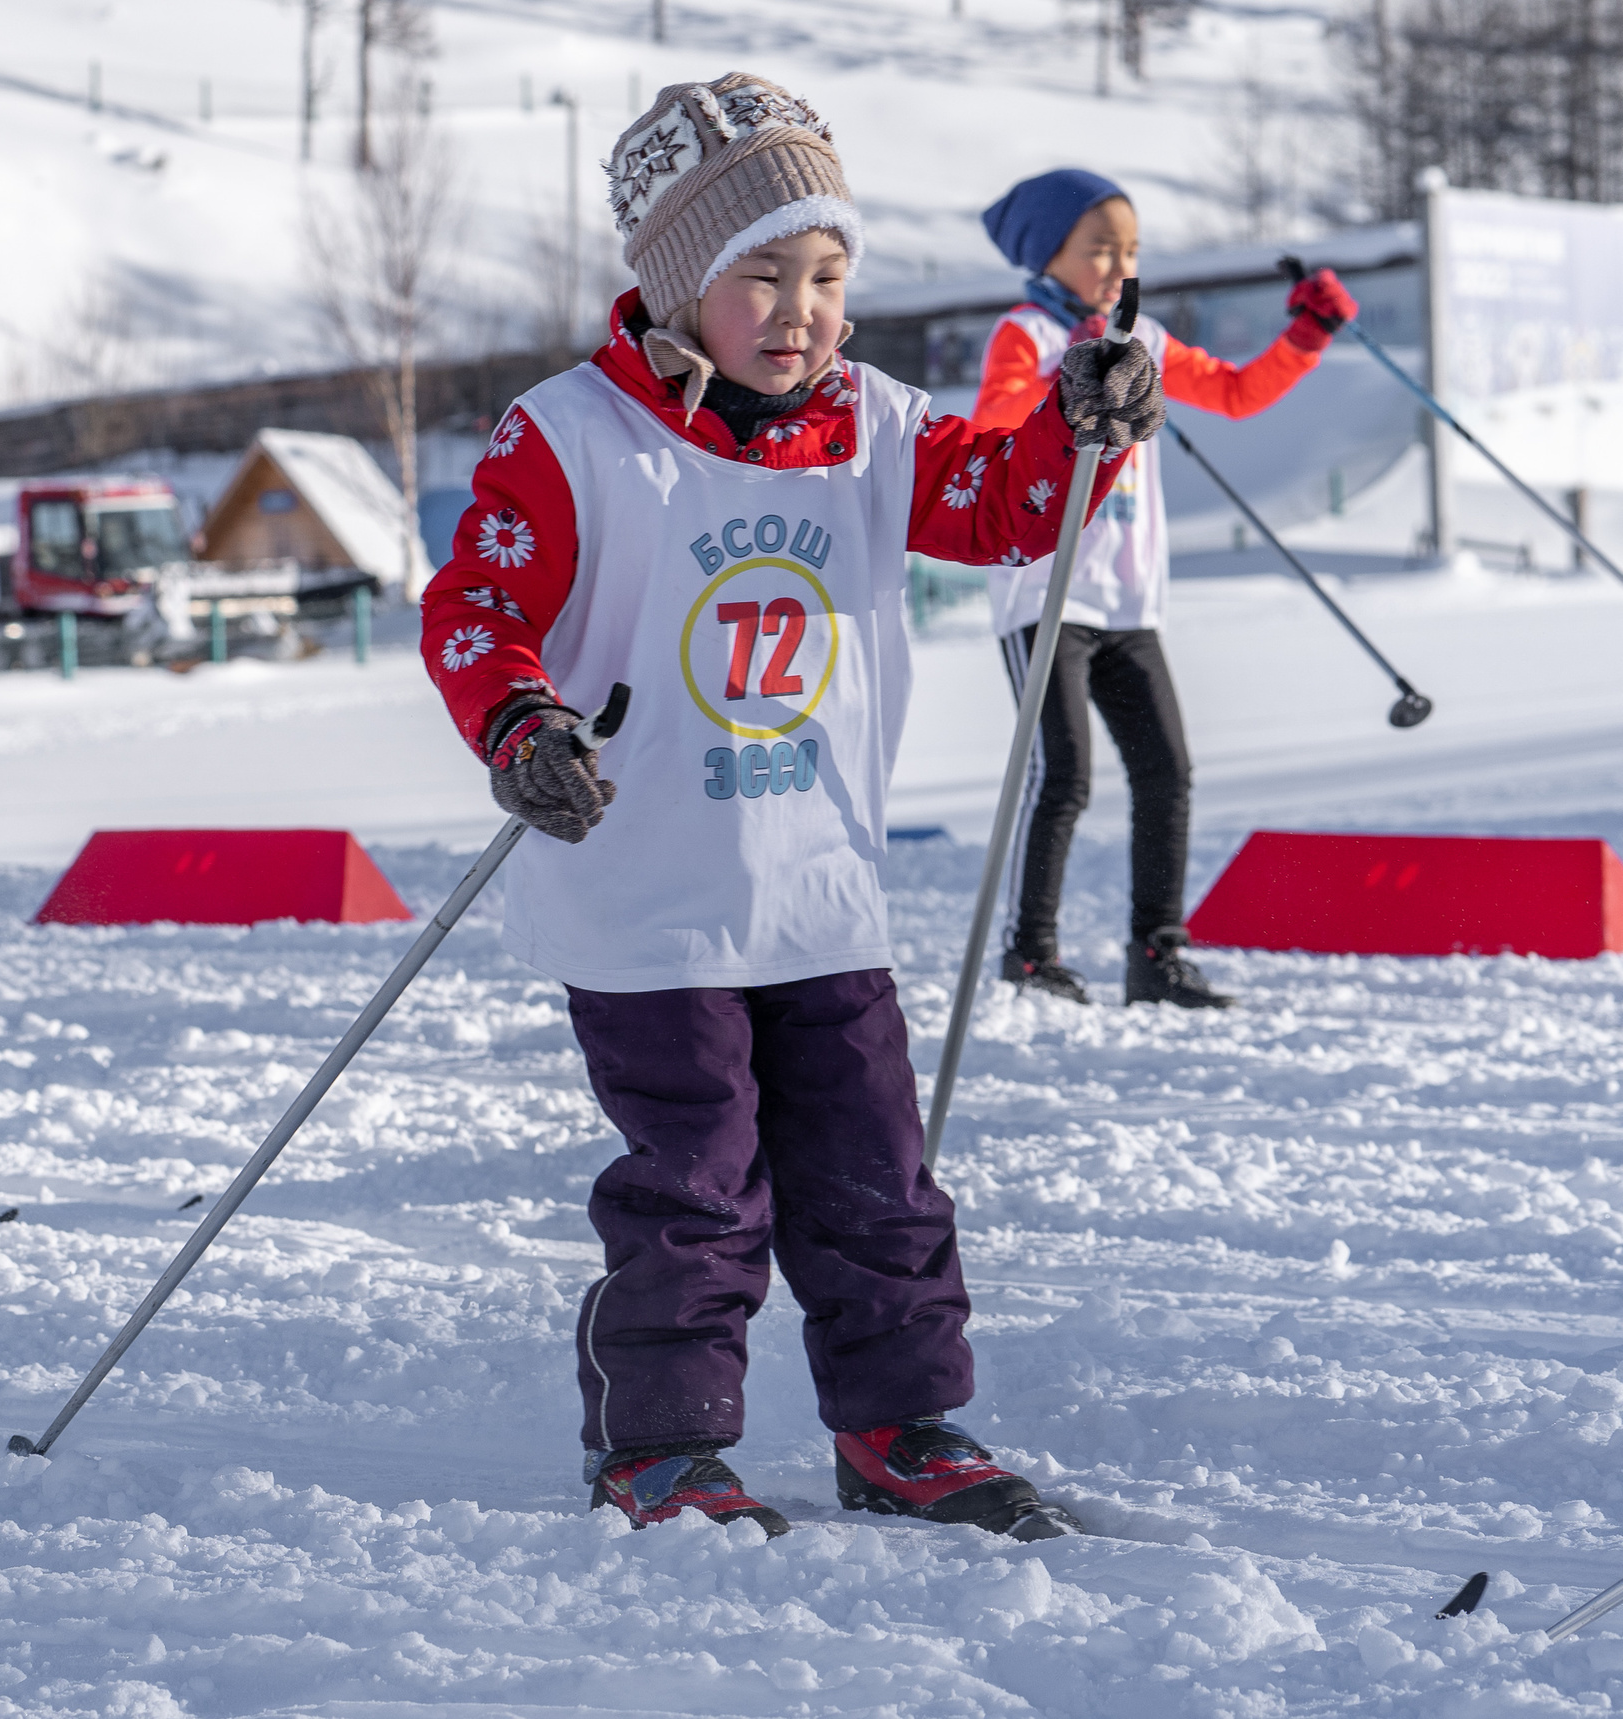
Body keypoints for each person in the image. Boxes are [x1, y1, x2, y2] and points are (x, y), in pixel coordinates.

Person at [420, 76, 1161, 1538]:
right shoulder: (568, 434)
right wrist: (518, 721)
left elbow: (1009, 505)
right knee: (699, 1186)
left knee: (878, 1177)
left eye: (827, 275)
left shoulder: (875, 426)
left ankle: (900, 1423)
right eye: (760, 274)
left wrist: (1085, 420)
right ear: (675, 282)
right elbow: (478, 604)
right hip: (647, 891)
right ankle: (663, 1442)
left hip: (818, 885)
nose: (801, 309)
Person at [970, 170, 1359, 1010]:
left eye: (1131, 248)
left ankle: (1158, 951)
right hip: (1045, 592)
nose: (1118, 262)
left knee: (1167, 770)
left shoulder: (1138, 333)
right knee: (1063, 774)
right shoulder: (1025, 332)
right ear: (1050, 254)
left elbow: (1234, 392)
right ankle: (1030, 954)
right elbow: (995, 427)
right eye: (1099, 246)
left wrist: (1308, 332)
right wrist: (1073, 375)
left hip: (1128, 598)